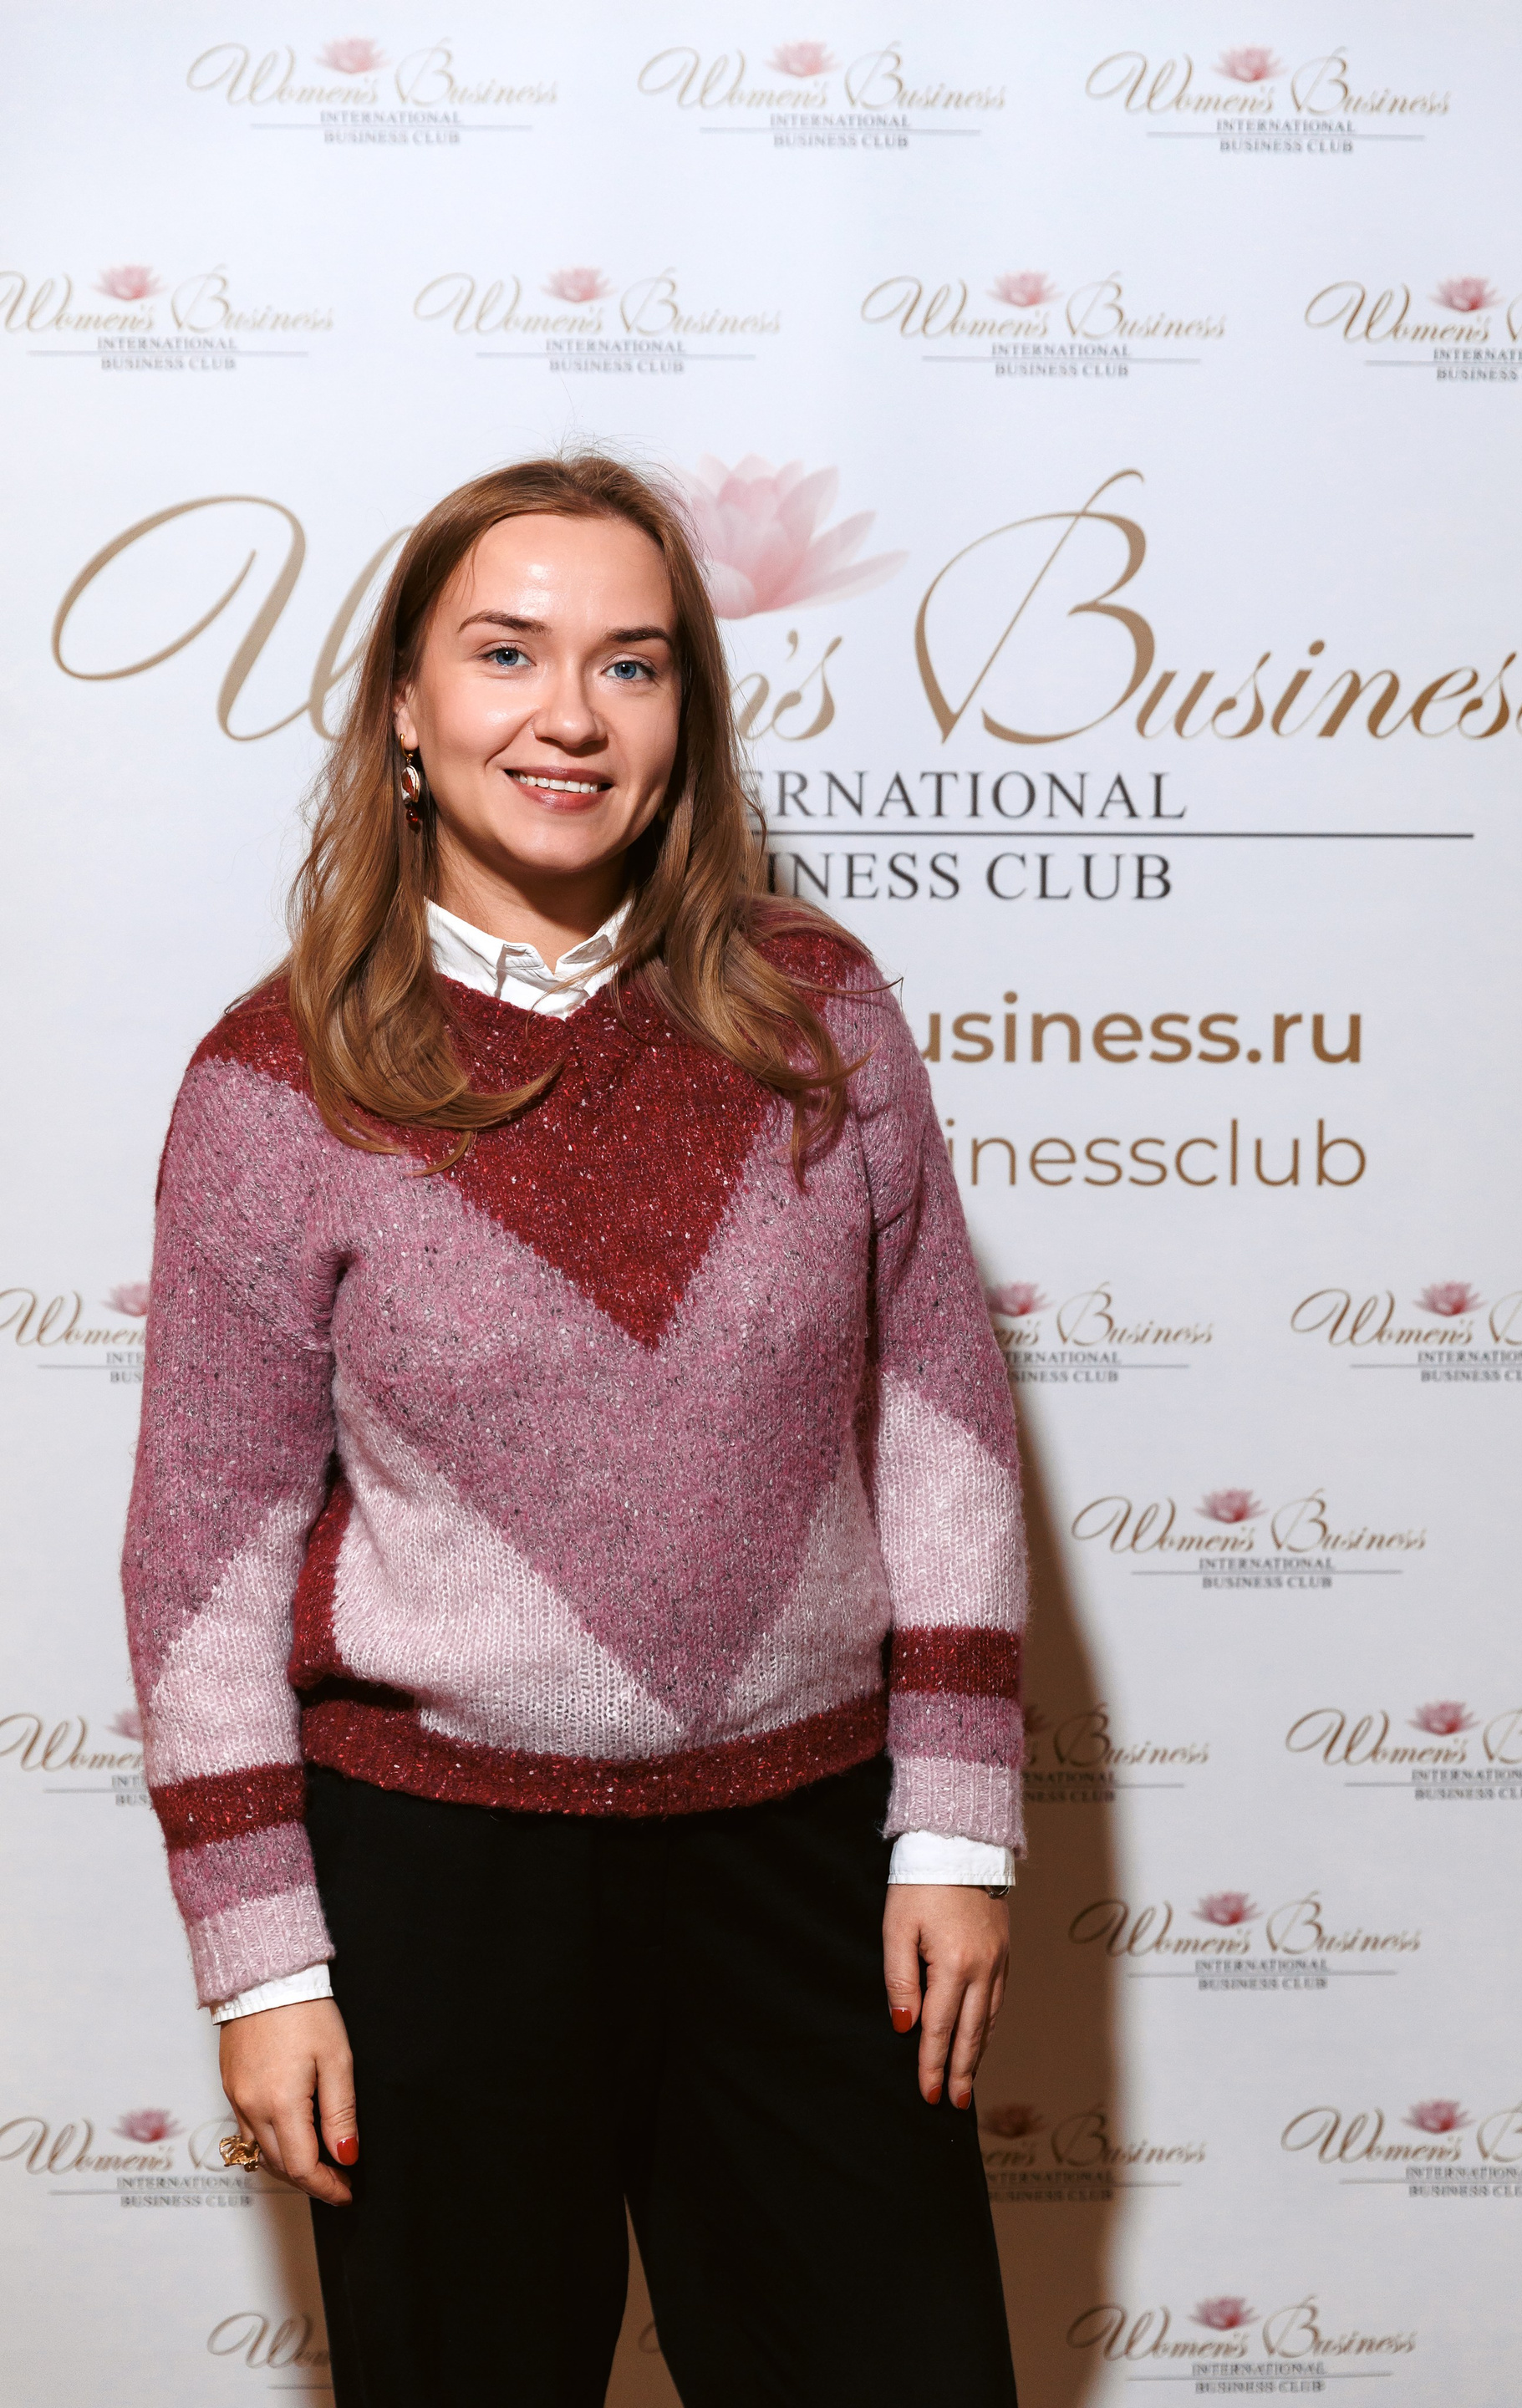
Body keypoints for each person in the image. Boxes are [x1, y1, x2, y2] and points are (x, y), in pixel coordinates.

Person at [123, 455, 1026, 2406]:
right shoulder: (276, 1084)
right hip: (436, 1890)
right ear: (404, 707)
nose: (571, 716)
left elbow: (941, 1409)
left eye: (631, 664)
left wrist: (956, 1821)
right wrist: (263, 1962)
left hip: (813, 1867)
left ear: (685, 713)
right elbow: (205, 1555)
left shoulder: (822, 1012)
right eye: (507, 653)